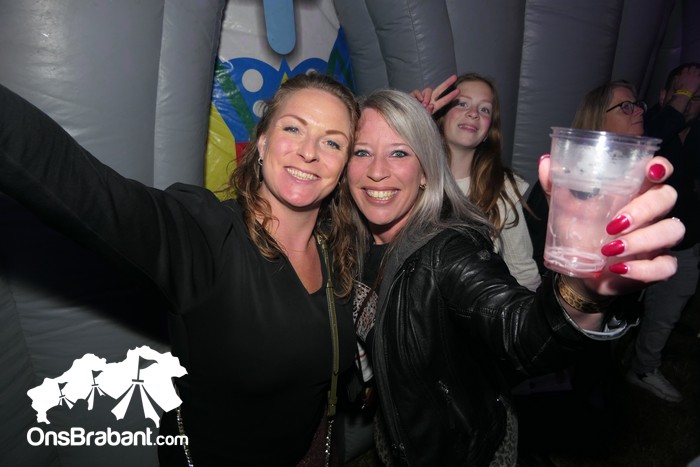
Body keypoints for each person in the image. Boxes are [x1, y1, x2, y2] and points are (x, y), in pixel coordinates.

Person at [0, 73, 360, 466]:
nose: (309, 152)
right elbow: (92, 192)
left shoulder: (335, 249)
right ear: (262, 142)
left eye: (332, 142)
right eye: (293, 128)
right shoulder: (206, 236)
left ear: (343, 166)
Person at [341, 89, 682, 466]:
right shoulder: (351, 238)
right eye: (362, 152)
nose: (376, 171)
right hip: (398, 437)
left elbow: (522, 331)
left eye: (399, 153)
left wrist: (584, 288)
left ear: (426, 172)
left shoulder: (447, 252)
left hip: (460, 452)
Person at [412, 73, 541, 291]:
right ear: (441, 116)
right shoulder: (412, 175)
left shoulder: (501, 188)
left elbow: (523, 273)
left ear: (488, 132)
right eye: (462, 104)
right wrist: (412, 119)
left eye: (484, 109)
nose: (473, 113)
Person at [625, 62, 700, 402]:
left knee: (666, 313)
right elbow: (646, 144)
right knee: (620, 313)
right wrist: (680, 100)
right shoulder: (649, 124)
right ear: (664, 95)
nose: (690, 102)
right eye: (684, 93)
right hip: (639, 245)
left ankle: (643, 368)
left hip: (684, 245)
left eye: (696, 96)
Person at [526, 80, 647, 274]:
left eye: (638, 105)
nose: (639, 111)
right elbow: (535, 248)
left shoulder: (636, 176)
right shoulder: (568, 177)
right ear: (598, 117)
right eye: (626, 107)